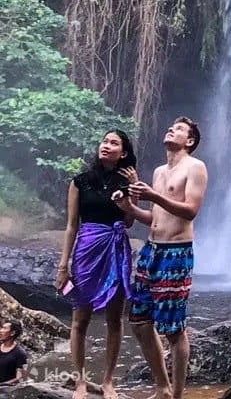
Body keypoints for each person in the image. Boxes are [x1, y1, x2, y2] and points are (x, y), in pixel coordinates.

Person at [114, 117, 208, 399]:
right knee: (140, 321)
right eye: (171, 126)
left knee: (174, 328)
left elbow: (190, 210)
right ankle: (162, 387)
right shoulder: (158, 171)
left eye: (179, 129)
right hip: (151, 250)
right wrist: (128, 205)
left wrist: (153, 195)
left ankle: (177, 395)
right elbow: (154, 219)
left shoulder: (195, 167)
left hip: (176, 253)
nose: (171, 129)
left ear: (189, 141)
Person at [55, 129, 138, 399]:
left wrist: (133, 192)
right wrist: (63, 265)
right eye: (104, 141)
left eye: (114, 143)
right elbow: (71, 227)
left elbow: (128, 222)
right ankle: (79, 380)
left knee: (115, 318)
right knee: (80, 318)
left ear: (123, 153)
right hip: (86, 250)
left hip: (115, 251)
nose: (106, 145)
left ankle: (108, 381)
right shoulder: (80, 181)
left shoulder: (126, 183)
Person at [0, 321, 26, 385]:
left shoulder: (19, 353)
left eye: (4, 328)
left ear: (12, 333)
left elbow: (19, 378)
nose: (0, 330)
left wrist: (2, 384)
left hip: (5, 390)